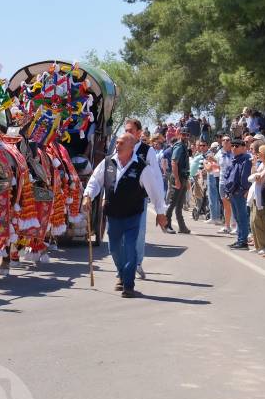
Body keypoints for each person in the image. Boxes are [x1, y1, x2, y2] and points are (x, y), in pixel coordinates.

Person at [82, 132, 168, 298]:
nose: (117, 145)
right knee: (113, 248)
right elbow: (95, 181)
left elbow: (155, 191)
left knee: (130, 248)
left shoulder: (142, 167)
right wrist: (88, 196)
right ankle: (121, 274)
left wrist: (160, 213)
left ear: (131, 147)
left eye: (121, 143)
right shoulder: (108, 163)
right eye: (118, 142)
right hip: (113, 215)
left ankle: (128, 285)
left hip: (132, 216)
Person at [124, 118, 159, 279]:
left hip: (139, 199)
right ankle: (125, 264)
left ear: (139, 133)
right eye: (126, 130)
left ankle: (136, 263)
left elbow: (156, 177)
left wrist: (160, 207)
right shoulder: (119, 147)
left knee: (139, 231)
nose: (127, 134)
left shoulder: (147, 151)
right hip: (120, 200)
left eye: (130, 131)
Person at [222, 137, 252, 249]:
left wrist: (245, 190)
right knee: (238, 218)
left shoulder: (246, 159)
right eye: (232, 145)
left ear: (244, 147)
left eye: (237, 146)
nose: (234, 148)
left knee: (242, 217)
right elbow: (227, 176)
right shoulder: (234, 160)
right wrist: (227, 191)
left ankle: (243, 241)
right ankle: (240, 239)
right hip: (232, 192)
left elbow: (245, 178)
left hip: (240, 192)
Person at [163, 126, 191, 234]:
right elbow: (174, 162)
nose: (185, 136)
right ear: (179, 135)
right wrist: (177, 180)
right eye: (183, 134)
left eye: (187, 134)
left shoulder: (184, 145)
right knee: (172, 203)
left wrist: (184, 180)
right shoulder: (179, 146)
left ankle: (182, 226)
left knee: (179, 204)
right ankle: (166, 224)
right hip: (178, 177)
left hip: (183, 177)